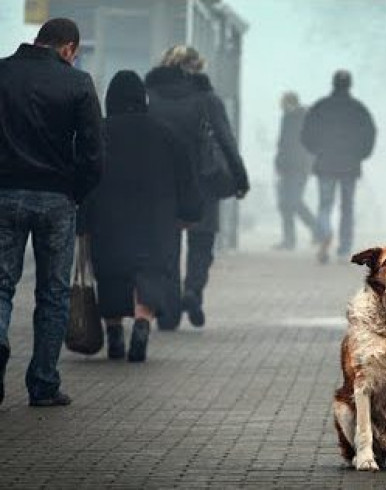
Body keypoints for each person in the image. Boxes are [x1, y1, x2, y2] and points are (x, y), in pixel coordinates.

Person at [0, 18, 103, 406]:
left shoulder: (2, 72)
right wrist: (76, 190)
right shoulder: (77, 83)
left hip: (4, 193)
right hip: (57, 198)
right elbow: (94, 151)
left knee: (1, 284)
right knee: (54, 294)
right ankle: (43, 384)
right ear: (68, 49)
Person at [83, 71, 203, 362]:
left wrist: (81, 221)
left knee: (111, 273)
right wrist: (189, 213)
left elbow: (83, 178)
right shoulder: (166, 133)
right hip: (156, 220)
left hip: (107, 219)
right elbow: (186, 179)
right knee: (149, 272)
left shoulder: (98, 132)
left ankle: (113, 333)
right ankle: (141, 322)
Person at [145, 46, 249, 329]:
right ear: (197, 67)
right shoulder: (207, 98)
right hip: (204, 182)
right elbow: (226, 141)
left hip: (163, 183)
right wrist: (240, 179)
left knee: (167, 246)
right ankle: (192, 291)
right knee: (201, 243)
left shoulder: (150, 96)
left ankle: (168, 312)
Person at [301, 71, 376, 264]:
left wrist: (316, 150)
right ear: (350, 85)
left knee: (325, 204)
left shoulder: (320, 107)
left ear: (333, 84)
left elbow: (306, 132)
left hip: (325, 162)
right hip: (350, 164)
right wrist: (361, 154)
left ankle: (325, 233)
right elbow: (370, 133)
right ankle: (344, 246)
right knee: (347, 206)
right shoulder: (358, 109)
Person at [273, 91, 315, 251]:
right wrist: (279, 163)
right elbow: (283, 143)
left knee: (293, 201)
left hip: (299, 167)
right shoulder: (288, 118)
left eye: (283, 104)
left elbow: (291, 144)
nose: (282, 107)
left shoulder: (302, 118)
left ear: (291, 103)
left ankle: (317, 229)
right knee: (286, 204)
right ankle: (289, 240)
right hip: (288, 167)